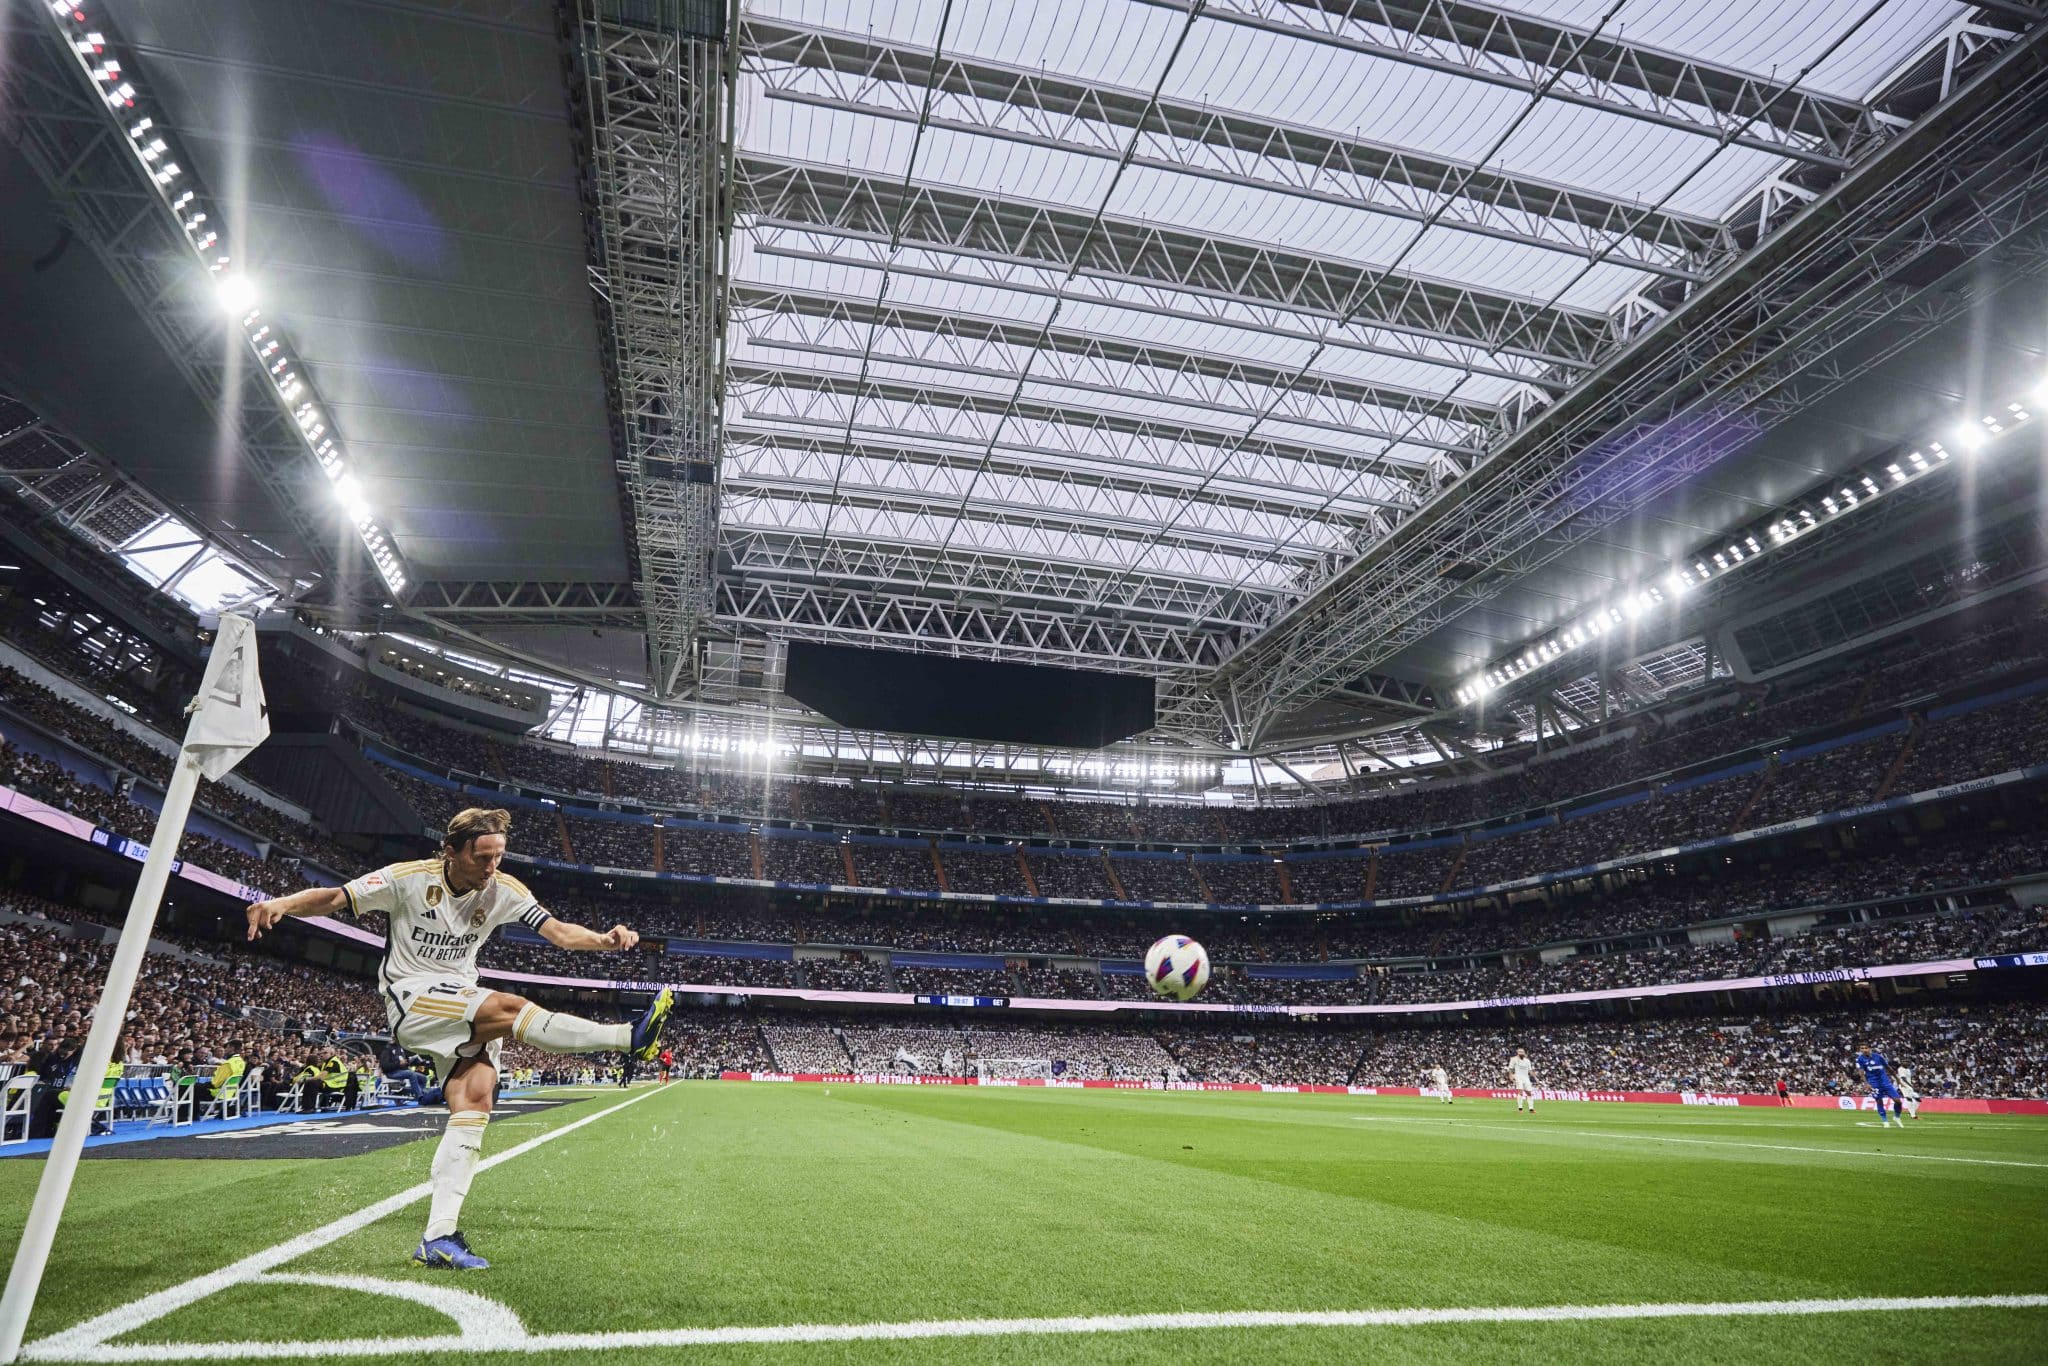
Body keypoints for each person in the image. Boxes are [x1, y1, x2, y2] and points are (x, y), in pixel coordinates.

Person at [245, 806, 673, 1271]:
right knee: (508, 1008)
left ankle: (438, 1238)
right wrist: (281, 904)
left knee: (475, 1100)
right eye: (482, 858)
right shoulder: (406, 879)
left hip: (460, 994)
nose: (491, 869)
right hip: (412, 996)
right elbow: (334, 898)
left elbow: (560, 934)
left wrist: (603, 941)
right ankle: (627, 1038)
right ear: (450, 852)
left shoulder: (503, 889)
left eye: (499, 857)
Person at [1853, 1044, 1906, 1129]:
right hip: (1873, 1083)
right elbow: (1861, 1073)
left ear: (1869, 1048)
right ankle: (1885, 1121)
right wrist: (1866, 1083)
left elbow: (1888, 1068)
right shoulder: (1860, 1059)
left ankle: (1896, 1117)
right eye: (1862, 1048)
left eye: (1865, 1048)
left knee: (1898, 1101)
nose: (1864, 1050)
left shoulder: (1878, 1057)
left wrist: (1898, 1079)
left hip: (1885, 1082)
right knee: (1879, 1101)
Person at [1507, 1047, 1536, 1114]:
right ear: (1517, 1053)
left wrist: (1533, 1075)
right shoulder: (1514, 1059)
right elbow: (1510, 1069)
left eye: (1522, 1052)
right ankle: (1520, 1108)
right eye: (1519, 1052)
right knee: (1520, 1092)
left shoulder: (1527, 1061)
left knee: (1529, 1093)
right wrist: (1510, 1076)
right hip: (1518, 1077)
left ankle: (1531, 1109)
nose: (1521, 1053)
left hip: (1526, 1078)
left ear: (1524, 1053)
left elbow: (1530, 1070)